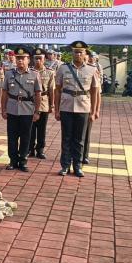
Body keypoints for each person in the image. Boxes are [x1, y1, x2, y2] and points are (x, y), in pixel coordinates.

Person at [54, 41, 100, 177]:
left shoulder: (92, 69)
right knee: (66, 137)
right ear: (72, 53)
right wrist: (56, 109)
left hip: (83, 107)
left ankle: (78, 166)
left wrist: (93, 111)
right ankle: (65, 166)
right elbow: (57, 90)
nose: (78, 54)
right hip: (66, 106)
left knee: (80, 139)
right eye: (75, 52)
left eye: (81, 52)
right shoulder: (63, 68)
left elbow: (94, 92)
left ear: (85, 53)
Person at [1, 47, 41, 172]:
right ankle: (13, 160)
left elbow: (38, 94)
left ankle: (23, 160)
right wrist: (3, 109)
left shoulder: (35, 74)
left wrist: (37, 111)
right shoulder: (9, 74)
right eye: (18, 59)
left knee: (25, 137)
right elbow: (5, 93)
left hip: (27, 110)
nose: (20, 61)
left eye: (22, 59)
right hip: (12, 109)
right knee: (12, 137)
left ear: (28, 60)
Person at [29, 47, 54, 160]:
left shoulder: (50, 72)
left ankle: (40, 150)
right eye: (36, 59)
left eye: (40, 58)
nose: (38, 61)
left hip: (44, 102)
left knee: (42, 128)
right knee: (30, 127)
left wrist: (52, 104)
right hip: (30, 102)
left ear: (44, 59)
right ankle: (30, 149)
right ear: (33, 59)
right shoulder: (29, 71)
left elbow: (51, 90)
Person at [81, 51, 103, 164]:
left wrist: (96, 111)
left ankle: (84, 155)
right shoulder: (73, 70)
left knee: (86, 133)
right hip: (76, 106)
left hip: (87, 106)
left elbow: (97, 94)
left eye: (86, 57)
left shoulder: (93, 71)